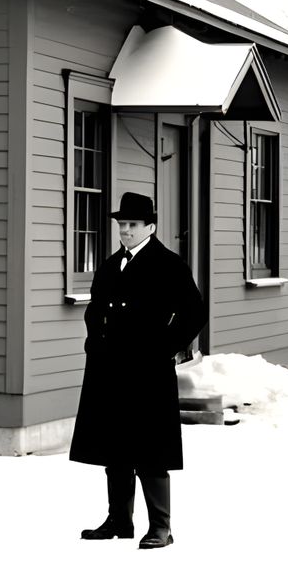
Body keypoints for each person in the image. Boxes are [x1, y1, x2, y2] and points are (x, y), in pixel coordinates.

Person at [71, 191, 206, 549]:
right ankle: (119, 520)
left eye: (132, 224)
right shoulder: (111, 265)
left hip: (148, 371)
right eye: (122, 224)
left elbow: (194, 312)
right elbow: (94, 309)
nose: (126, 231)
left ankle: (161, 526)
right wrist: (93, 342)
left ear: (150, 226)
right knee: (114, 446)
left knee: (150, 449)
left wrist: (164, 348)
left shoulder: (168, 264)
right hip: (109, 369)